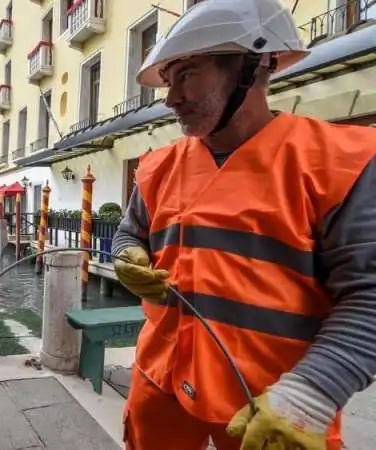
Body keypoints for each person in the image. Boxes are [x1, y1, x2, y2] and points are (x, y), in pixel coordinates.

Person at [111, 0, 376, 449]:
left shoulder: (339, 165)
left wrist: (310, 396)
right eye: (169, 80)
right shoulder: (158, 166)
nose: (171, 97)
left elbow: (368, 296)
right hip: (161, 382)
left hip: (274, 405)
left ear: (251, 68)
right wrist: (125, 254)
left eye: (187, 75)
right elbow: (130, 231)